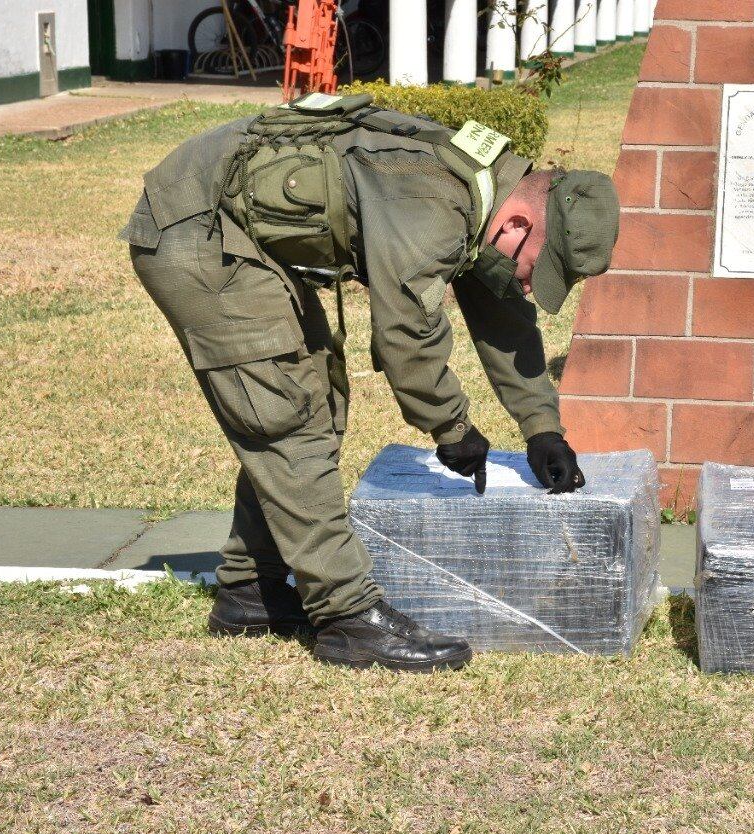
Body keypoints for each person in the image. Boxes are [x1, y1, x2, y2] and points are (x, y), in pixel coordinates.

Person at [120, 93, 619, 672]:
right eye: (539, 270)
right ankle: (347, 617)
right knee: (287, 414)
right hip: (196, 228)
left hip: (237, 229)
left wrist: (541, 427)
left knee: (316, 400)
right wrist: (451, 425)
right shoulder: (432, 204)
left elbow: (501, 308)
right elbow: (406, 333)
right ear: (517, 224)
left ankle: (250, 590)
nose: (530, 286)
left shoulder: (488, 189)